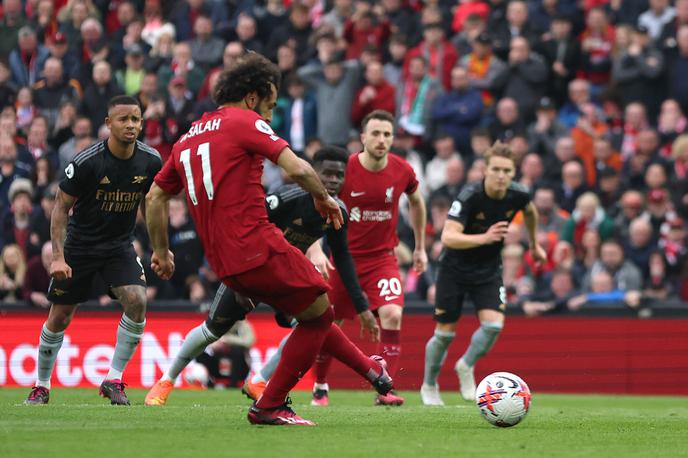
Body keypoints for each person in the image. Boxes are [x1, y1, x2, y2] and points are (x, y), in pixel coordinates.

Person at [143, 53, 393, 426]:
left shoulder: (187, 139)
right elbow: (298, 167)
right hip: (256, 243)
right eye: (270, 105)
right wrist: (324, 199)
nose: (269, 116)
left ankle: (373, 373)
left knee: (314, 312)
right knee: (320, 314)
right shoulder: (245, 122)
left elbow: (154, 197)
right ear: (251, 97)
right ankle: (269, 401)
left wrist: (161, 251)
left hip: (224, 263)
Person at [145, 146, 380, 405]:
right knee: (213, 330)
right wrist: (238, 284)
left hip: (286, 276)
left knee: (312, 325)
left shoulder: (339, 211)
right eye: (328, 174)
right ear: (313, 173)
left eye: (339, 175)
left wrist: (362, 306)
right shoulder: (286, 198)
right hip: (251, 270)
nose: (334, 180)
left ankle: (259, 381)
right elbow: (243, 230)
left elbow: (343, 258)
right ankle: (166, 381)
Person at [24, 95, 163, 406]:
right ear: (108, 123)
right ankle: (41, 385)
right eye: (124, 119)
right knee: (60, 317)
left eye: (136, 119)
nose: (131, 125)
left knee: (138, 300)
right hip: (81, 246)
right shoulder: (86, 162)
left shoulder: (151, 161)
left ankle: (113, 379)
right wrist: (58, 256)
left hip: (119, 246)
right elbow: (60, 208)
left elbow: (154, 203)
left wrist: (160, 249)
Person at [304, 109, 427, 407]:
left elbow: (416, 201)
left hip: (383, 259)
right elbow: (317, 205)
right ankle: (320, 385)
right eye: (375, 133)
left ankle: (385, 389)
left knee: (393, 314)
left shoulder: (402, 170)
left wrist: (421, 246)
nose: (382, 139)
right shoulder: (343, 170)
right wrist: (316, 246)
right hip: (345, 261)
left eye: (387, 134)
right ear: (362, 137)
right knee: (330, 322)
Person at [421, 141, 546, 406]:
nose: (501, 175)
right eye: (496, 169)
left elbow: (531, 212)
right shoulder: (469, 196)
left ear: (513, 173)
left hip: (488, 269)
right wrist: (486, 237)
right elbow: (449, 237)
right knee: (444, 334)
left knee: (493, 325)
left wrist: (535, 245)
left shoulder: (519, 194)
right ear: (485, 170)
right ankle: (430, 385)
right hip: (454, 268)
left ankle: (465, 365)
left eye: (507, 171)